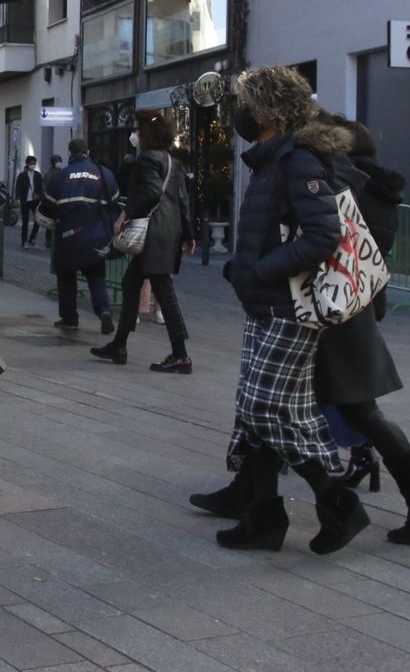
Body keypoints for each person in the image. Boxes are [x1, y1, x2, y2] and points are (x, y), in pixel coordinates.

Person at [190, 113, 410, 546]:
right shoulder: (337, 178)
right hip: (321, 308)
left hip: (333, 314)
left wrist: (260, 269)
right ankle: (255, 499)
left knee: (353, 410)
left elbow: (331, 245)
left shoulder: (342, 183)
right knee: (270, 404)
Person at [205, 67, 368, 555]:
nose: (239, 114)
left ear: (267, 110)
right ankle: (262, 518)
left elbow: (323, 235)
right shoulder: (272, 160)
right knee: (255, 411)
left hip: (288, 308)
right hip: (266, 305)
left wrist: (262, 271)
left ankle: (337, 501)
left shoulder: (297, 160)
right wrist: (245, 269)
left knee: (266, 408)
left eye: (246, 103)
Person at [91, 111, 195, 371]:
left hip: (153, 232)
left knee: (164, 292)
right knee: (131, 283)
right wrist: (188, 234)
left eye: (138, 129)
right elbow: (182, 200)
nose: (135, 134)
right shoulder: (171, 161)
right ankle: (119, 344)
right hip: (167, 231)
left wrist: (125, 214)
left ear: (147, 133)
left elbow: (150, 193)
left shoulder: (147, 159)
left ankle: (180, 354)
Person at [41, 138, 117, 334]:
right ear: (88, 152)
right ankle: (104, 311)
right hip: (95, 235)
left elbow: (47, 206)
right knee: (96, 276)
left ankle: (69, 318)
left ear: (69, 153)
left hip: (68, 236)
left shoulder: (60, 176)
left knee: (66, 277)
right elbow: (114, 202)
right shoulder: (102, 173)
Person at [14, 154, 45, 249]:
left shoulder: (38, 175)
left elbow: (41, 187)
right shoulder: (22, 175)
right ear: (27, 164)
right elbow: (18, 187)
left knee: (38, 220)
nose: (33, 165)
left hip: (35, 200)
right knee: (25, 221)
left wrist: (41, 198)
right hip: (25, 200)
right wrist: (18, 198)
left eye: (34, 163)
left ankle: (32, 238)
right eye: (31, 163)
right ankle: (24, 242)